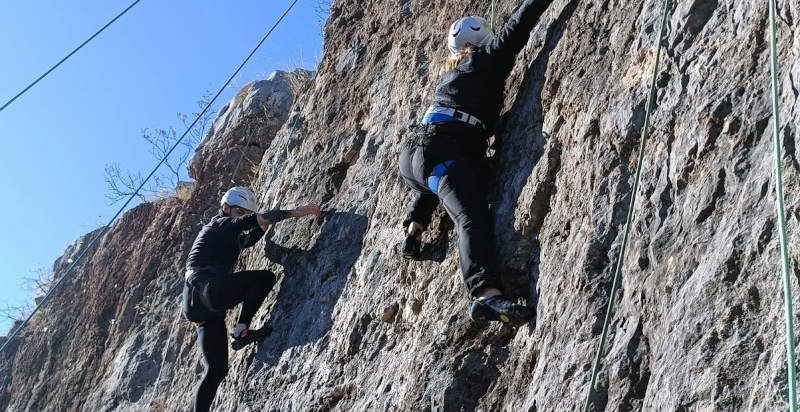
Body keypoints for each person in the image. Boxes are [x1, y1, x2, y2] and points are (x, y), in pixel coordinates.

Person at [399, 0, 555, 324]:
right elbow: (519, 25)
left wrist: (418, 220)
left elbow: (433, 156)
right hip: (442, 151)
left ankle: (414, 230)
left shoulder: (450, 77)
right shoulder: (486, 60)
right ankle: (485, 296)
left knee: (443, 178)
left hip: (415, 158)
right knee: (470, 215)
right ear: (484, 40)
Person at [182, 187, 320, 412]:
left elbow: (254, 233)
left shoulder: (229, 237)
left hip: (199, 307)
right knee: (264, 278)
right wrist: (297, 211)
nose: (242, 215)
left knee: (217, 370)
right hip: (205, 288)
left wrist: (267, 218)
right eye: (239, 211)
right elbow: (256, 220)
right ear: (225, 208)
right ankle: (242, 329)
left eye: (245, 212)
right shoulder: (219, 224)